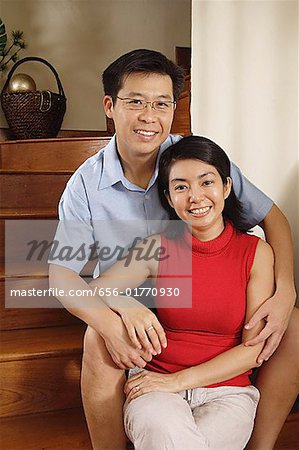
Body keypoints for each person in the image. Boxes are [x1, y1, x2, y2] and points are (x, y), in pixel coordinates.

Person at [49, 49, 298, 450]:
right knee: (98, 338)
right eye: (136, 102)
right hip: (126, 305)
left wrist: (286, 289)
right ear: (110, 106)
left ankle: (261, 444)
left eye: (162, 103)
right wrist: (118, 315)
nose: (149, 116)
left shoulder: (195, 160)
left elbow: (274, 219)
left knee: (295, 325)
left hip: (206, 306)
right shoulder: (85, 185)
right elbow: (62, 276)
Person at [88, 135, 275, 449]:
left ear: (226, 187)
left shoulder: (257, 253)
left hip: (228, 393)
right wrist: (128, 304)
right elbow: (93, 290)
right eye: (181, 186)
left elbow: (254, 349)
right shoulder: (157, 248)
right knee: (165, 434)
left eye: (206, 182)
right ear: (169, 197)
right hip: (155, 389)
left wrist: (178, 381)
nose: (196, 197)